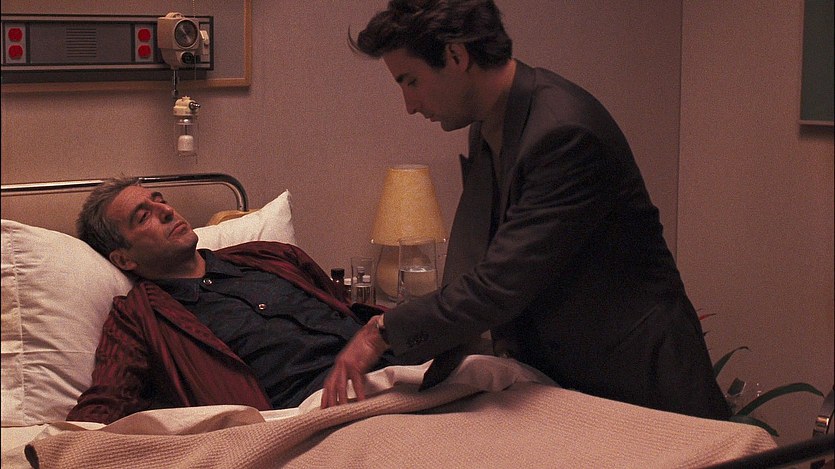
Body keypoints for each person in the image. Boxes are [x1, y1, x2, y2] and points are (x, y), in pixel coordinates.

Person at [322, 0, 731, 420]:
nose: (409, 104)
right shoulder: (491, 122)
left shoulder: (563, 134)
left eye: (411, 81)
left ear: (456, 56)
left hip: (642, 380)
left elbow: (499, 284)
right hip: (574, 378)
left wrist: (381, 332)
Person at [67, 177, 404, 424]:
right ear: (124, 259)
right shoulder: (141, 316)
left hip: (399, 375)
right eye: (144, 216)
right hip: (319, 414)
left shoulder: (272, 256)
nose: (167, 211)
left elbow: (346, 309)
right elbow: (107, 402)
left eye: (160, 201)